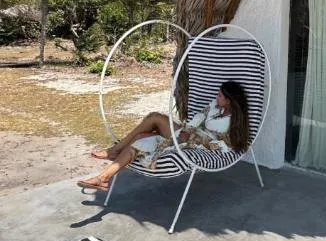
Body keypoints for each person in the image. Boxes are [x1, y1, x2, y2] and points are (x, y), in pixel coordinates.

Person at [77, 80, 250, 193]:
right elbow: (199, 117)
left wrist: (193, 134)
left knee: (154, 117)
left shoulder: (232, 120)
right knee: (142, 138)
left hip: (199, 144)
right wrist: (188, 129)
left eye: (220, 95)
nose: (216, 96)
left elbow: (223, 143)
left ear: (229, 100)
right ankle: (102, 178)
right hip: (189, 134)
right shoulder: (215, 106)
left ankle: (113, 151)